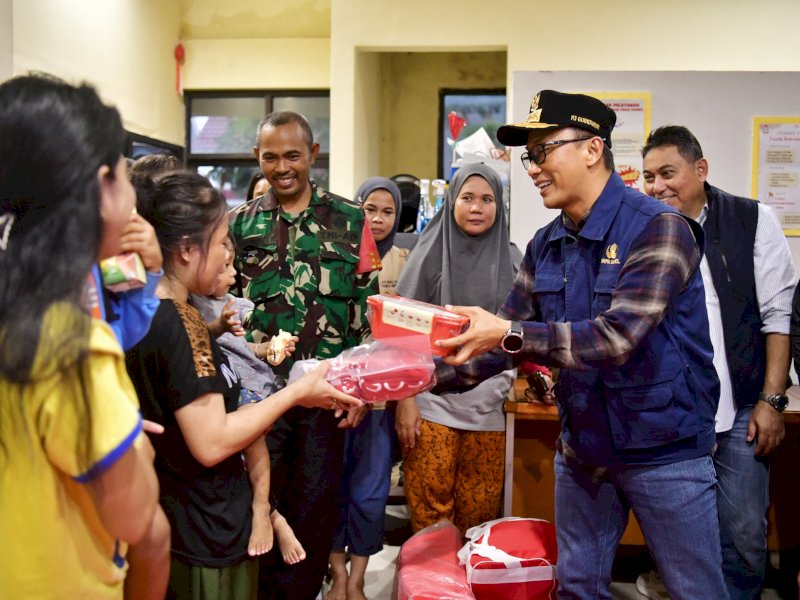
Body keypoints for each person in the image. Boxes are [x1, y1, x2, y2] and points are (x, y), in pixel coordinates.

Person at [435, 90, 727, 599]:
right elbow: (503, 340)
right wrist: (404, 378)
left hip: (665, 454)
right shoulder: (546, 243)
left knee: (695, 591)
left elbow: (618, 336)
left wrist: (507, 333)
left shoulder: (659, 228)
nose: (533, 168)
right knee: (575, 589)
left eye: (543, 151)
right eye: (529, 156)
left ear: (592, 149)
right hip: (584, 450)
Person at [126, 170, 362, 599]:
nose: (227, 260)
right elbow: (212, 441)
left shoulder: (161, 312)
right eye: (221, 244)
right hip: (202, 532)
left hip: (200, 523)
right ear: (185, 251)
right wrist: (295, 393)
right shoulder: (181, 323)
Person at [0, 73, 167, 599]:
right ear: (102, 187)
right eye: (126, 174)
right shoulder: (67, 347)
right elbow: (144, 527)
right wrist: (133, 443)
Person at [639, 125, 795, 600]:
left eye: (668, 173)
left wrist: (771, 400)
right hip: (677, 412)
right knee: (682, 541)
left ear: (700, 170)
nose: (658, 186)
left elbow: (777, 315)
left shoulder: (752, 220)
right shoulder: (641, 226)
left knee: (745, 534)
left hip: (742, 409)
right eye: (648, 176)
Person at [229, 110, 381, 600]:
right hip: (259, 401)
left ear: (313, 155)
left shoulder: (351, 219)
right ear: (257, 158)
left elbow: (366, 312)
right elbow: (225, 309)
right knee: (261, 505)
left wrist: (359, 390)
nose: (281, 167)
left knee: (315, 510)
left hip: (325, 397)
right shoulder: (239, 226)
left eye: (292, 155)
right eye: (269, 157)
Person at [392, 163, 521, 537]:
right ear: (451, 203)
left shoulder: (515, 261)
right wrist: (406, 400)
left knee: (478, 519)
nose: (476, 207)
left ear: (500, 207)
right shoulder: (426, 254)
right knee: (431, 516)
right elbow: (401, 336)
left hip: (491, 411)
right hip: (430, 407)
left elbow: (522, 332)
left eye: (487, 199)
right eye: (467, 198)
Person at [191, 233, 307, 565]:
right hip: (232, 389)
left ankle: (265, 508)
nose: (233, 275)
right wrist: (218, 326)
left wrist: (270, 348)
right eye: (224, 267)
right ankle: (272, 515)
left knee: (255, 444)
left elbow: (246, 350)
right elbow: (203, 338)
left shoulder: (232, 304)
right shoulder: (193, 308)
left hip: (253, 384)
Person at [326, 177, 408, 600]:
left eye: (387, 211)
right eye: (369, 208)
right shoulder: (336, 253)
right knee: (332, 485)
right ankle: (337, 576)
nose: (376, 219)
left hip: (379, 399)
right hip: (336, 396)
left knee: (371, 493)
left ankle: (357, 580)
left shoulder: (406, 259)